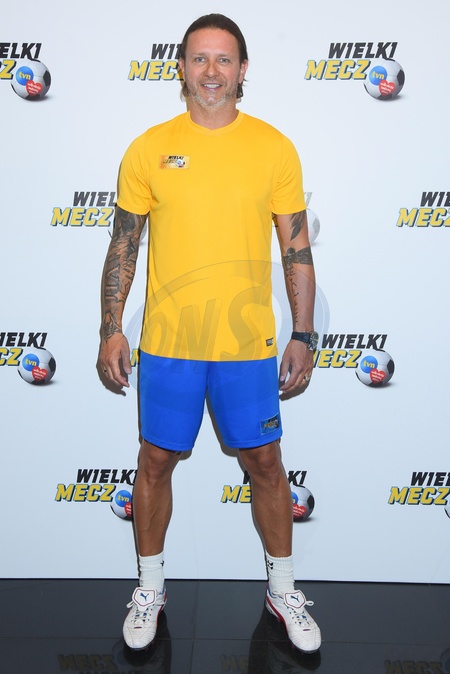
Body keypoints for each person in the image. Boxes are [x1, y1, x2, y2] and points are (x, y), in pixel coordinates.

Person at [99, 13, 321, 655]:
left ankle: (283, 589)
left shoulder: (274, 148)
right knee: (155, 461)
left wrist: (304, 334)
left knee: (266, 464)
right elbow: (123, 246)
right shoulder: (148, 148)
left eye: (224, 59)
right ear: (181, 69)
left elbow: (297, 250)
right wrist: (110, 327)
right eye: (199, 58)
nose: (212, 71)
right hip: (168, 342)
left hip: (245, 345)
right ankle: (150, 588)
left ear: (243, 69)